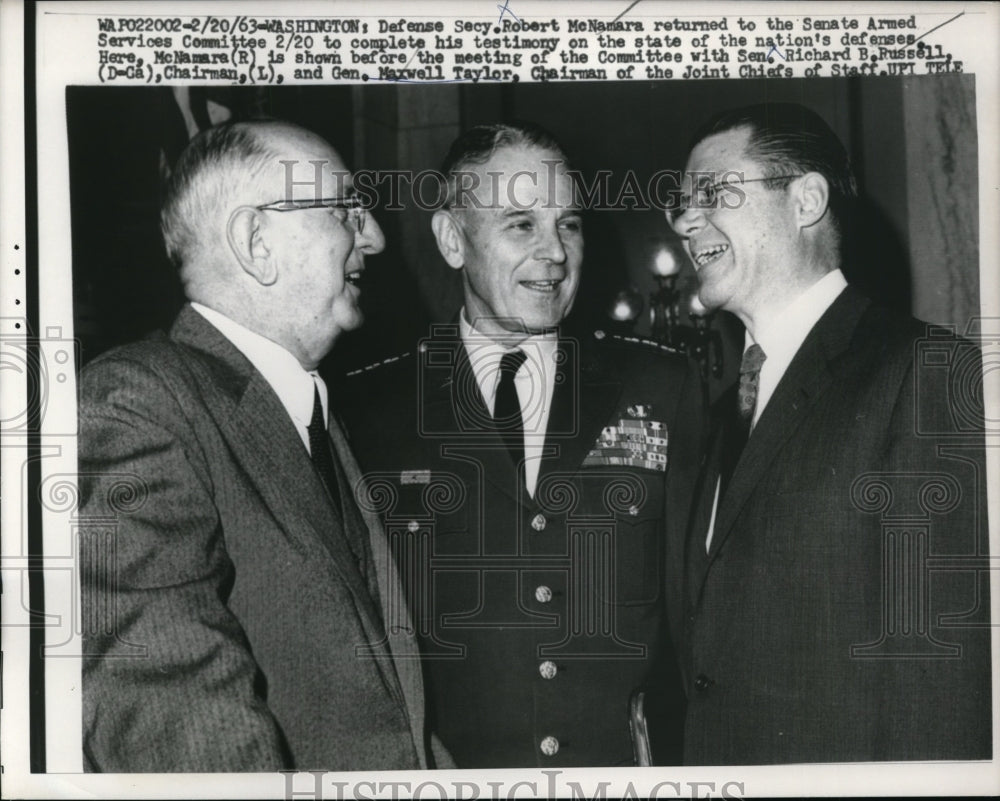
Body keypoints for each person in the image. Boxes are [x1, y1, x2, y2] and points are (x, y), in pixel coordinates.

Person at [340, 122, 704, 767]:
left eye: (568, 224)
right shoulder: (366, 410)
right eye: (520, 225)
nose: (555, 253)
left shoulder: (662, 387)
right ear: (453, 240)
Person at [78, 120, 438, 771]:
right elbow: (166, 699)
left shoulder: (312, 417)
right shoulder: (135, 401)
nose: (376, 237)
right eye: (344, 209)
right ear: (254, 241)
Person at [667, 103, 991, 764]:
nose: (683, 220)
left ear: (806, 199)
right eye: (680, 204)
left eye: (713, 194)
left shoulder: (927, 371)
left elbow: (940, 681)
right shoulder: (726, 402)